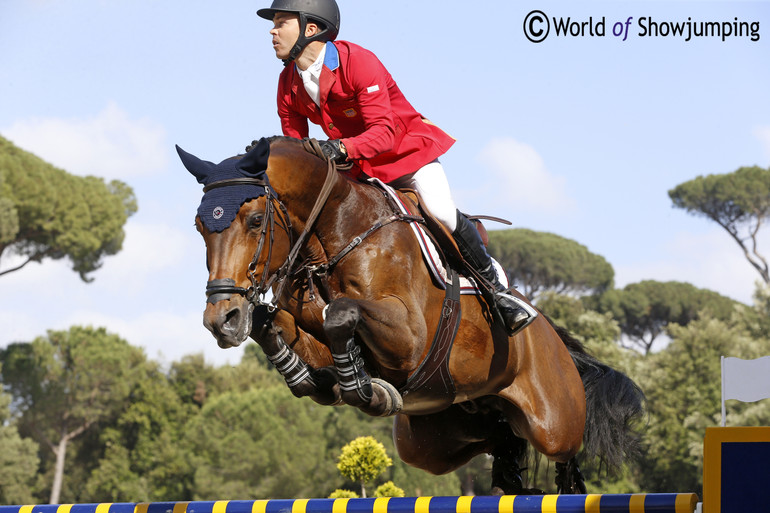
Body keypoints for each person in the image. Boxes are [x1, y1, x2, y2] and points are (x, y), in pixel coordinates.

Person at [257, 0, 535, 335]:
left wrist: (341, 147)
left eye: (281, 23)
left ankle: (497, 290)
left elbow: (384, 132)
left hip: (406, 155)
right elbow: (298, 149)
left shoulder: (358, 62)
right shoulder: (287, 82)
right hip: (358, 170)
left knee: (441, 212)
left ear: (311, 29)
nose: (272, 31)